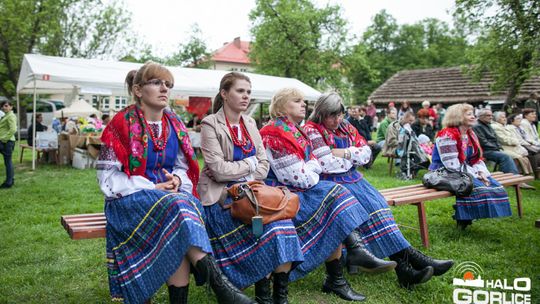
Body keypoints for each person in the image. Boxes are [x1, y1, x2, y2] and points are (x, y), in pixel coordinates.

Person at [97, 63, 252, 304]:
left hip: (171, 201)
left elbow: (183, 165)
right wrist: (152, 187)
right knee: (179, 208)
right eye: (157, 83)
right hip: (128, 202)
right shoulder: (121, 124)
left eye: (168, 85)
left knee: (179, 212)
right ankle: (220, 285)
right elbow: (107, 179)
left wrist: (178, 179)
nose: (164, 89)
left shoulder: (174, 124)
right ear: (138, 90)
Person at [302, 91, 453, 288]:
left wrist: (345, 153)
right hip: (331, 185)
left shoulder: (346, 126)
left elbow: (367, 153)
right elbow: (326, 164)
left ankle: (406, 268)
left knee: (379, 208)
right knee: (371, 209)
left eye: (339, 114)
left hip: (353, 180)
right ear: (321, 113)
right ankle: (410, 263)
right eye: (332, 115)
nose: (337, 120)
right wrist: (351, 157)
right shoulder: (312, 130)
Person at [261, 88, 387, 301]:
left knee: (338, 195)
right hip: (281, 193)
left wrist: (312, 166)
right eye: (297, 101)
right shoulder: (275, 132)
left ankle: (339, 274)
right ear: (282, 106)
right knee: (335, 200)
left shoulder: (294, 129)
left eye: (303, 101)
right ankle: (345, 265)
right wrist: (313, 167)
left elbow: (316, 165)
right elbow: (302, 177)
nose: (304, 105)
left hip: (296, 188)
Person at [199, 72, 304, 304]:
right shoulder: (209, 124)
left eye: (248, 91)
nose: (246, 96)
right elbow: (217, 170)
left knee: (284, 225)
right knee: (267, 231)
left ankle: (280, 297)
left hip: (254, 193)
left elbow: (264, 164)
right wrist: (249, 165)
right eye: (240, 91)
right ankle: (263, 298)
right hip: (223, 199)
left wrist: (246, 173)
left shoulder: (250, 123)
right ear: (224, 94)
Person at [430, 103, 512, 229]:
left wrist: (482, 173)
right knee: (476, 187)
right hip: (443, 172)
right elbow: (451, 165)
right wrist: (475, 175)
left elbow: (476, 159)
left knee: (496, 187)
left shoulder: (470, 134)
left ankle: (465, 215)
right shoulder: (447, 135)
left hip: (464, 170)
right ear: (458, 116)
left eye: (473, 114)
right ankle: (463, 217)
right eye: (469, 114)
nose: (473, 117)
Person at [491, 111, 533, 176]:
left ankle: (522, 175)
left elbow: (512, 137)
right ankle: (515, 176)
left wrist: (516, 141)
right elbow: (504, 140)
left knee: (523, 157)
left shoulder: (502, 126)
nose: (505, 119)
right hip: (503, 148)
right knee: (518, 157)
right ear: (497, 119)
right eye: (502, 117)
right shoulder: (495, 127)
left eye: (505, 117)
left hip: (510, 147)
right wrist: (516, 141)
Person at [396, 112, 430, 180]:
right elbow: (401, 143)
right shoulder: (403, 129)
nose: (411, 122)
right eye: (410, 120)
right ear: (405, 119)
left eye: (412, 120)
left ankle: (413, 170)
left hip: (413, 148)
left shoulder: (409, 128)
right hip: (405, 149)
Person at [507, 113, 540, 178]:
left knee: (536, 151)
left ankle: (536, 171)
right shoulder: (510, 128)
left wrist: (534, 143)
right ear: (511, 120)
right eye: (518, 119)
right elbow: (517, 140)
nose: (520, 120)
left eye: (520, 119)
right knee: (535, 152)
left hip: (526, 144)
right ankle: (535, 172)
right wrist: (528, 144)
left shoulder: (520, 127)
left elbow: (527, 138)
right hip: (519, 145)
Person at [0, 101, 17, 189]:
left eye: (6, 106)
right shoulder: (6, 115)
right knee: (8, 162)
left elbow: (13, 129)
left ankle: (9, 182)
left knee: (8, 161)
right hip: (5, 141)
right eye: (3, 106)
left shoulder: (11, 116)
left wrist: (3, 140)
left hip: (7, 142)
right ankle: (10, 180)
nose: (4, 107)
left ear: (11, 107)